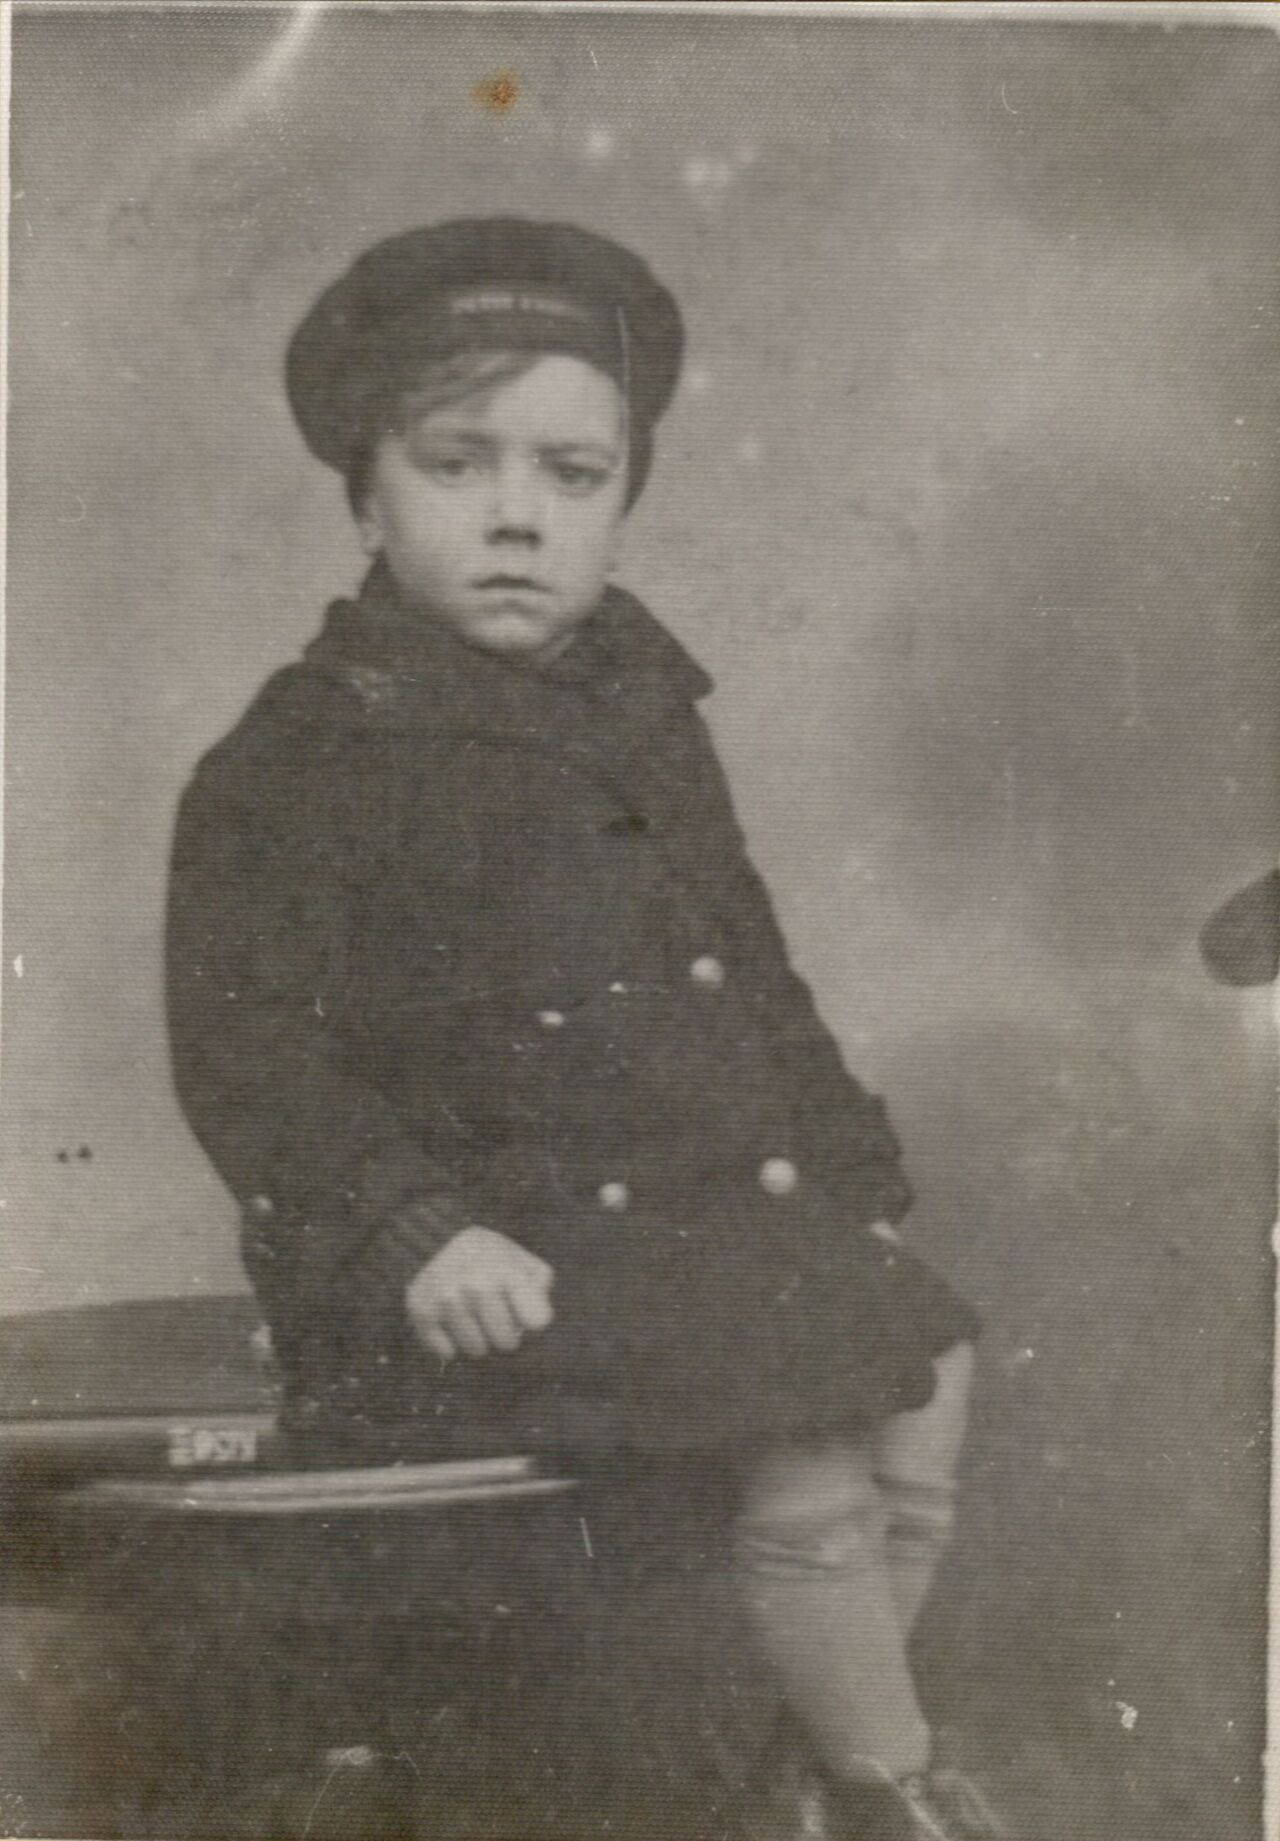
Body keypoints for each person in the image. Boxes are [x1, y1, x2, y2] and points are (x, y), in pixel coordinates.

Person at [166, 218, 1005, 1841]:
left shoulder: (638, 708)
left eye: (571, 475)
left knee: (931, 1373)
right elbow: (248, 1051)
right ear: (363, 495)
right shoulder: (301, 756)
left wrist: (842, 1158)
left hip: (689, 1221)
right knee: (815, 1450)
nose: (513, 518)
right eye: (455, 465)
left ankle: (802, 1766)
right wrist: (418, 1231)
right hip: (489, 1264)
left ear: (623, 503)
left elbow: (740, 957)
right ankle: (893, 1785)